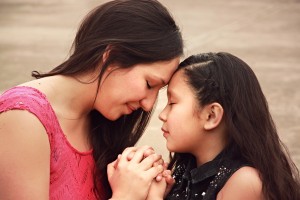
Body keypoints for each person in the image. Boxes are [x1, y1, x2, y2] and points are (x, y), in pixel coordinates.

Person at [0, 0, 183, 199]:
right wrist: (125, 196)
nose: (148, 105)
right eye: (149, 84)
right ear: (112, 57)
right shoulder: (24, 119)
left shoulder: (101, 121)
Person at [148, 52, 300, 199]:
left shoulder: (244, 182)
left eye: (172, 103)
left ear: (211, 115)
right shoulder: (186, 169)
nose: (162, 114)